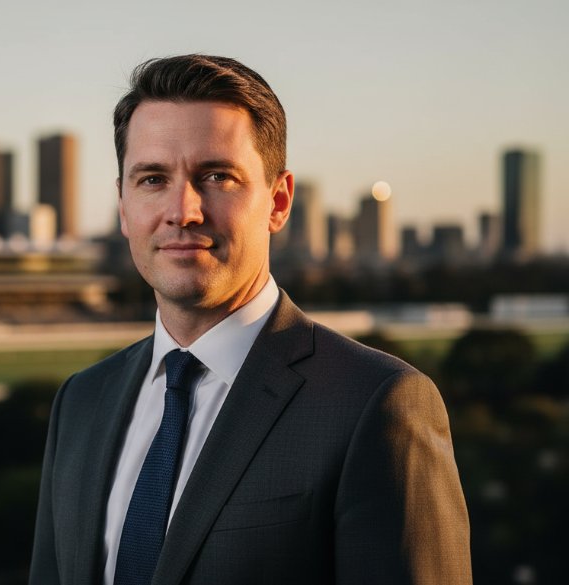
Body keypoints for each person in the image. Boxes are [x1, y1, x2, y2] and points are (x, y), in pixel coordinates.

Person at [28, 54, 471, 585]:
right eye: (152, 179)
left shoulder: (377, 405)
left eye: (217, 176)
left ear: (279, 201)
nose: (183, 210)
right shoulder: (82, 401)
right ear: (123, 205)